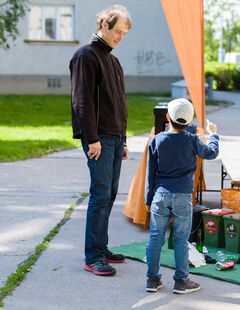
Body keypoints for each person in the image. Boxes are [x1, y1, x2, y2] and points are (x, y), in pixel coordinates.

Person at [69, 5, 132, 276]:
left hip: (115, 137)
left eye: (124, 33)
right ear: (104, 24)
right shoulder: (86, 56)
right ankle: (93, 256)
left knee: (110, 194)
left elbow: (119, 103)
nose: (120, 37)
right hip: (99, 139)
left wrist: (124, 139)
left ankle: (101, 248)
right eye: (117, 31)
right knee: (100, 193)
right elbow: (81, 101)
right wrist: (91, 138)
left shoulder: (113, 61)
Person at [145, 98, 219, 294]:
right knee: (180, 239)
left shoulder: (156, 140)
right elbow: (211, 153)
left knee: (155, 238)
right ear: (189, 121)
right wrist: (214, 135)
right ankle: (181, 281)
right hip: (183, 197)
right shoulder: (192, 139)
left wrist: (147, 199)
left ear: (167, 117)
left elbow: (150, 174)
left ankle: (152, 280)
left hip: (160, 196)